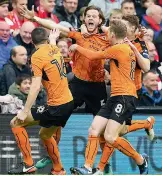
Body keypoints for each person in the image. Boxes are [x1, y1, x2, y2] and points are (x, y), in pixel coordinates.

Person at [69, 20, 149, 175]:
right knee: (94, 129)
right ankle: (86, 167)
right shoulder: (124, 46)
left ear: (112, 35)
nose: (106, 36)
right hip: (115, 96)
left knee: (110, 137)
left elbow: (93, 56)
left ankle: (140, 160)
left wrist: (76, 46)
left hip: (126, 96)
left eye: (108, 34)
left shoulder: (119, 48)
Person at [8, 27, 74, 175]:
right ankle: (58, 169)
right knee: (45, 135)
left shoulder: (37, 56)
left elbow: (36, 86)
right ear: (47, 40)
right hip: (69, 102)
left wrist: (25, 111)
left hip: (56, 105)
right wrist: (53, 39)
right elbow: (51, 44)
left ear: (32, 41)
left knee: (15, 123)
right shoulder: (54, 49)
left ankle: (28, 164)